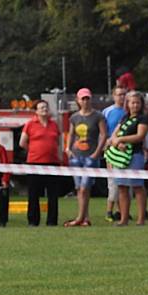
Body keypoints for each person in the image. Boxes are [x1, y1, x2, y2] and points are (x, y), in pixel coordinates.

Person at [65, 88, 107, 227]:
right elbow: (71, 134)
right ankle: (85, 218)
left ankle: (79, 218)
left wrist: (97, 152)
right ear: (78, 100)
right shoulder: (74, 117)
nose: (85, 101)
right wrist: (68, 148)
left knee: (85, 187)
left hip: (91, 156)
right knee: (79, 188)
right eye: (82, 98)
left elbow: (103, 134)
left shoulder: (98, 116)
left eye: (87, 98)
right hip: (76, 155)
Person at [109, 90, 148, 226]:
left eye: (137, 102)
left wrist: (121, 139)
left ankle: (141, 219)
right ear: (128, 104)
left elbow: (140, 136)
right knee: (122, 187)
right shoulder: (124, 118)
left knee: (137, 187)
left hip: (136, 155)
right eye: (132, 102)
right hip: (121, 157)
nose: (135, 105)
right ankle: (124, 218)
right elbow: (114, 135)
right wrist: (117, 142)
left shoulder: (143, 119)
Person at [19, 99, 61, 226]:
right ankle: (33, 221)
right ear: (36, 111)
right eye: (41, 107)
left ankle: (52, 221)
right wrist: (34, 150)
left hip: (52, 163)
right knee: (33, 194)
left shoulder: (54, 125)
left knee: (53, 195)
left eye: (46, 107)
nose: (44, 109)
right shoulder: (30, 124)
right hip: (34, 164)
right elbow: (22, 143)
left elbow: (58, 142)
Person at [103, 86, 127, 222]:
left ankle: (122, 211)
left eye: (124, 94)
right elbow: (104, 132)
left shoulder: (128, 111)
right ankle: (109, 211)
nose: (121, 97)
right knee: (112, 182)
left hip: (125, 150)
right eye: (119, 95)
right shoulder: (107, 112)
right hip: (112, 151)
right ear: (114, 96)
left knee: (124, 182)